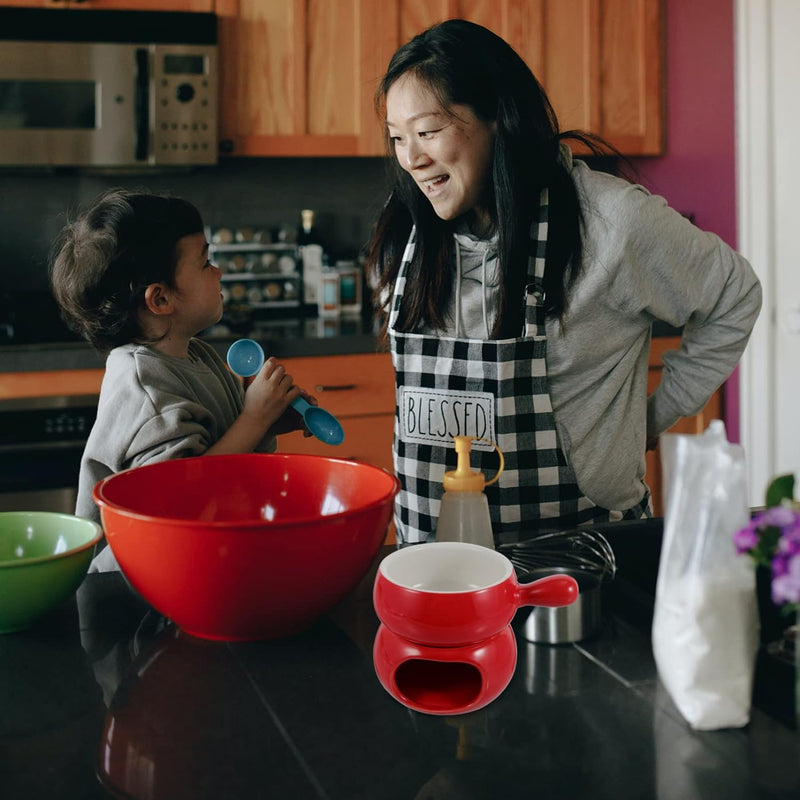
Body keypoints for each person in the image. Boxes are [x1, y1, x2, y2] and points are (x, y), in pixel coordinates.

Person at [365, 19, 762, 547]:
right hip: (435, 569)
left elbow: (735, 297)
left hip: (582, 568)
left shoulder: (611, 223)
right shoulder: (412, 225)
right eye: (397, 138)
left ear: (497, 118)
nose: (411, 158)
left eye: (428, 131)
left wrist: (647, 420)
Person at [50, 189, 311, 570]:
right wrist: (253, 419)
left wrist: (269, 419)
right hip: (135, 585)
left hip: (195, 565)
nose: (219, 272)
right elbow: (185, 500)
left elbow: (224, 443)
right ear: (160, 300)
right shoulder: (147, 390)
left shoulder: (196, 353)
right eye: (206, 263)